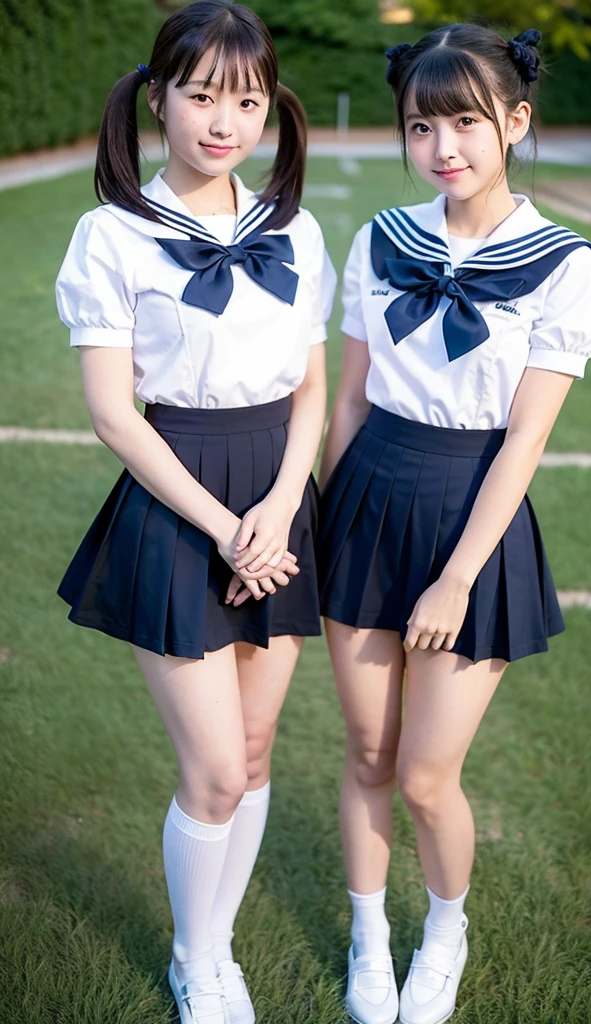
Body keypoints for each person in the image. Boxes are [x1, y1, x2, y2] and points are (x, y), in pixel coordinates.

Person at [317, 24, 591, 1024]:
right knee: (365, 754)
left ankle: (444, 929)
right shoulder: (379, 239)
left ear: (513, 123)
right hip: (367, 495)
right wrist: (328, 513)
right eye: (421, 124)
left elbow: (523, 438)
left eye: (466, 121)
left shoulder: (563, 264)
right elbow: (348, 400)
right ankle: (368, 935)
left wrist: (454, 576)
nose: (443, 145)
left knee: (428, 774)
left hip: (471, 516)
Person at [55, 2, 335, 1022]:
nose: (224, 120)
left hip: (278, 494)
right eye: (204, 94)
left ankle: (213, 948)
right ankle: (197, 958)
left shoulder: (294, 230)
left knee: (255, 756)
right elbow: (111, 413)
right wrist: (225, 526)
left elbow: (311, 390)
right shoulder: (110, 234)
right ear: (158, 95)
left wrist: (277, 507)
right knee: (213, 769)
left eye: (247, 99)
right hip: (181, 503)